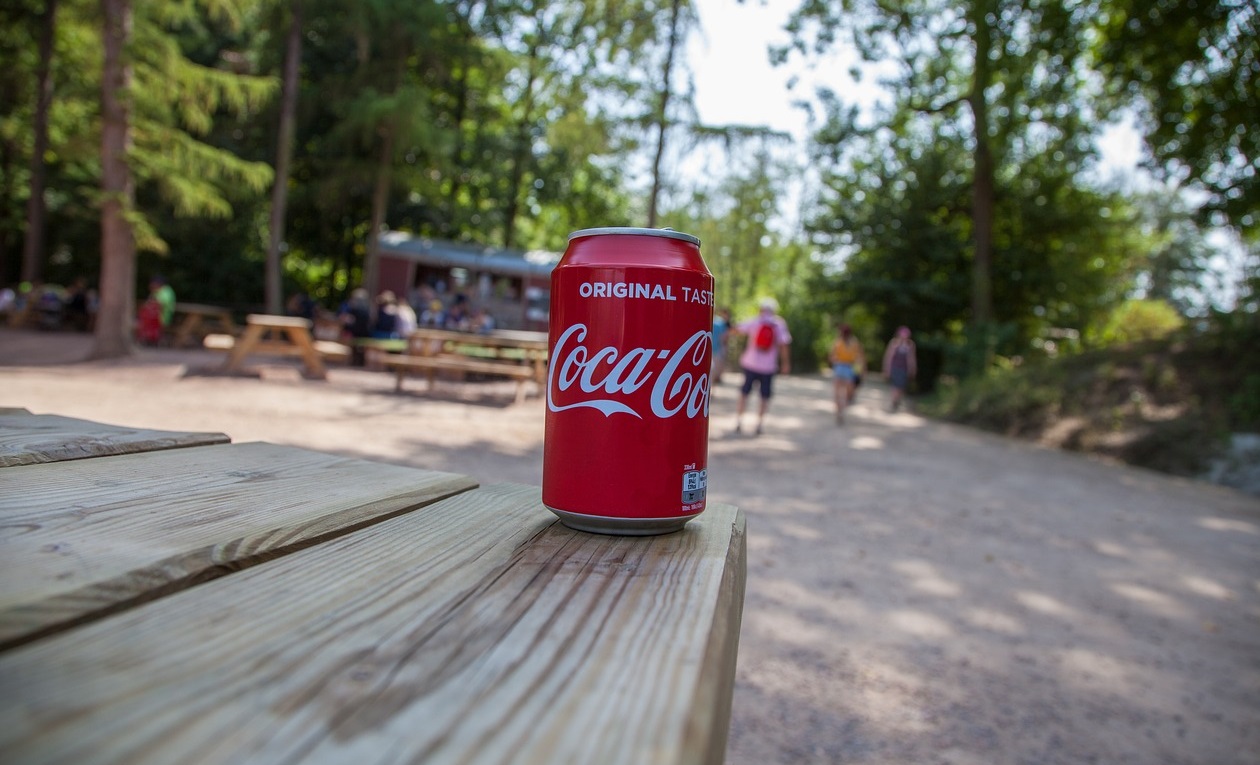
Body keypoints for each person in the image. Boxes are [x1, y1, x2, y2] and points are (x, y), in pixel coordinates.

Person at [732, 297, 791, 436]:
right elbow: (784, 345)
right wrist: (786, 364)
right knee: (764, 396)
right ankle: (759, 424)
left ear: (761, 309)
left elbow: (736, 329)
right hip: (768, 367)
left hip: (750, 363)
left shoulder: (755, 321)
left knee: (744, 393)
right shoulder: (779, 323)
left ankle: (739, 421)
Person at [828, 323, 865, 424]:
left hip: (848, 367)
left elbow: (859, 357)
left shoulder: (853, 342)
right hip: (841, 367)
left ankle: (842, 408)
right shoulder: (839, 342)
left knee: (846, 391)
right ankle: (839, 410)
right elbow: (832, 356)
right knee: (839, 392)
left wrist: (860, 369)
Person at [882, 325, 918, 412]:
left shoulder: (910, 345)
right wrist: (887, 369)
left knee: (901, 386)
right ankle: (894, 401)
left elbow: (912, 358)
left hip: (904, 369)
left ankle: (897, 400)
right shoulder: (894, 343)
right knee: (895, 385)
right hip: (895, 368)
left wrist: (913, 369)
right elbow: (889, 357)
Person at [711, 307, 732, 384]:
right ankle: (712, 388)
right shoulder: (720, 322)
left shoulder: (719, 322)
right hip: (715, 349)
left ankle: (712, 387)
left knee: (712, 369)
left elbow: (724, 337)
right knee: (713, 369)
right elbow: (724, 337)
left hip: (714, 350)